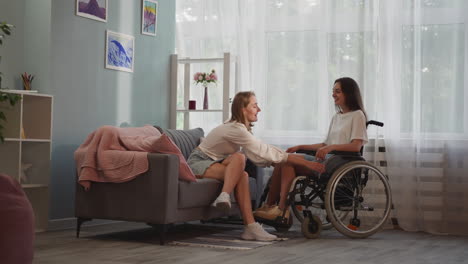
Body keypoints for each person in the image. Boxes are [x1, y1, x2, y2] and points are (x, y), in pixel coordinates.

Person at [186, 91, 325, 241]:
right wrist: (306, 162)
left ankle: (250, 227)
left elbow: (256, 155)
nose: (259, 109)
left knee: (242, 167)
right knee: (240, 162)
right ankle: (232, 205)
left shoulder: (241, 129)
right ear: (242, 109)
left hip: (215, 161)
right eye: (254, 105)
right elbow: (263, 150)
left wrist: (277, 161)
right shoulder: (235, 129)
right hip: (197, 162)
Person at [254, 77, 368, 222]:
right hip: (326, 159)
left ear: (349, 93)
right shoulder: (337, 117)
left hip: (338, 164)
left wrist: (331, 147)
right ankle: (269, 206)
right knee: (283, 159)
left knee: (288, 162)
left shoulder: (357, 115)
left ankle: (282, 210)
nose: (333, 94)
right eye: (333, 91)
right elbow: (324, 144)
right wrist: (300, 147)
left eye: (337, 91)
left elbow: (356, 146)